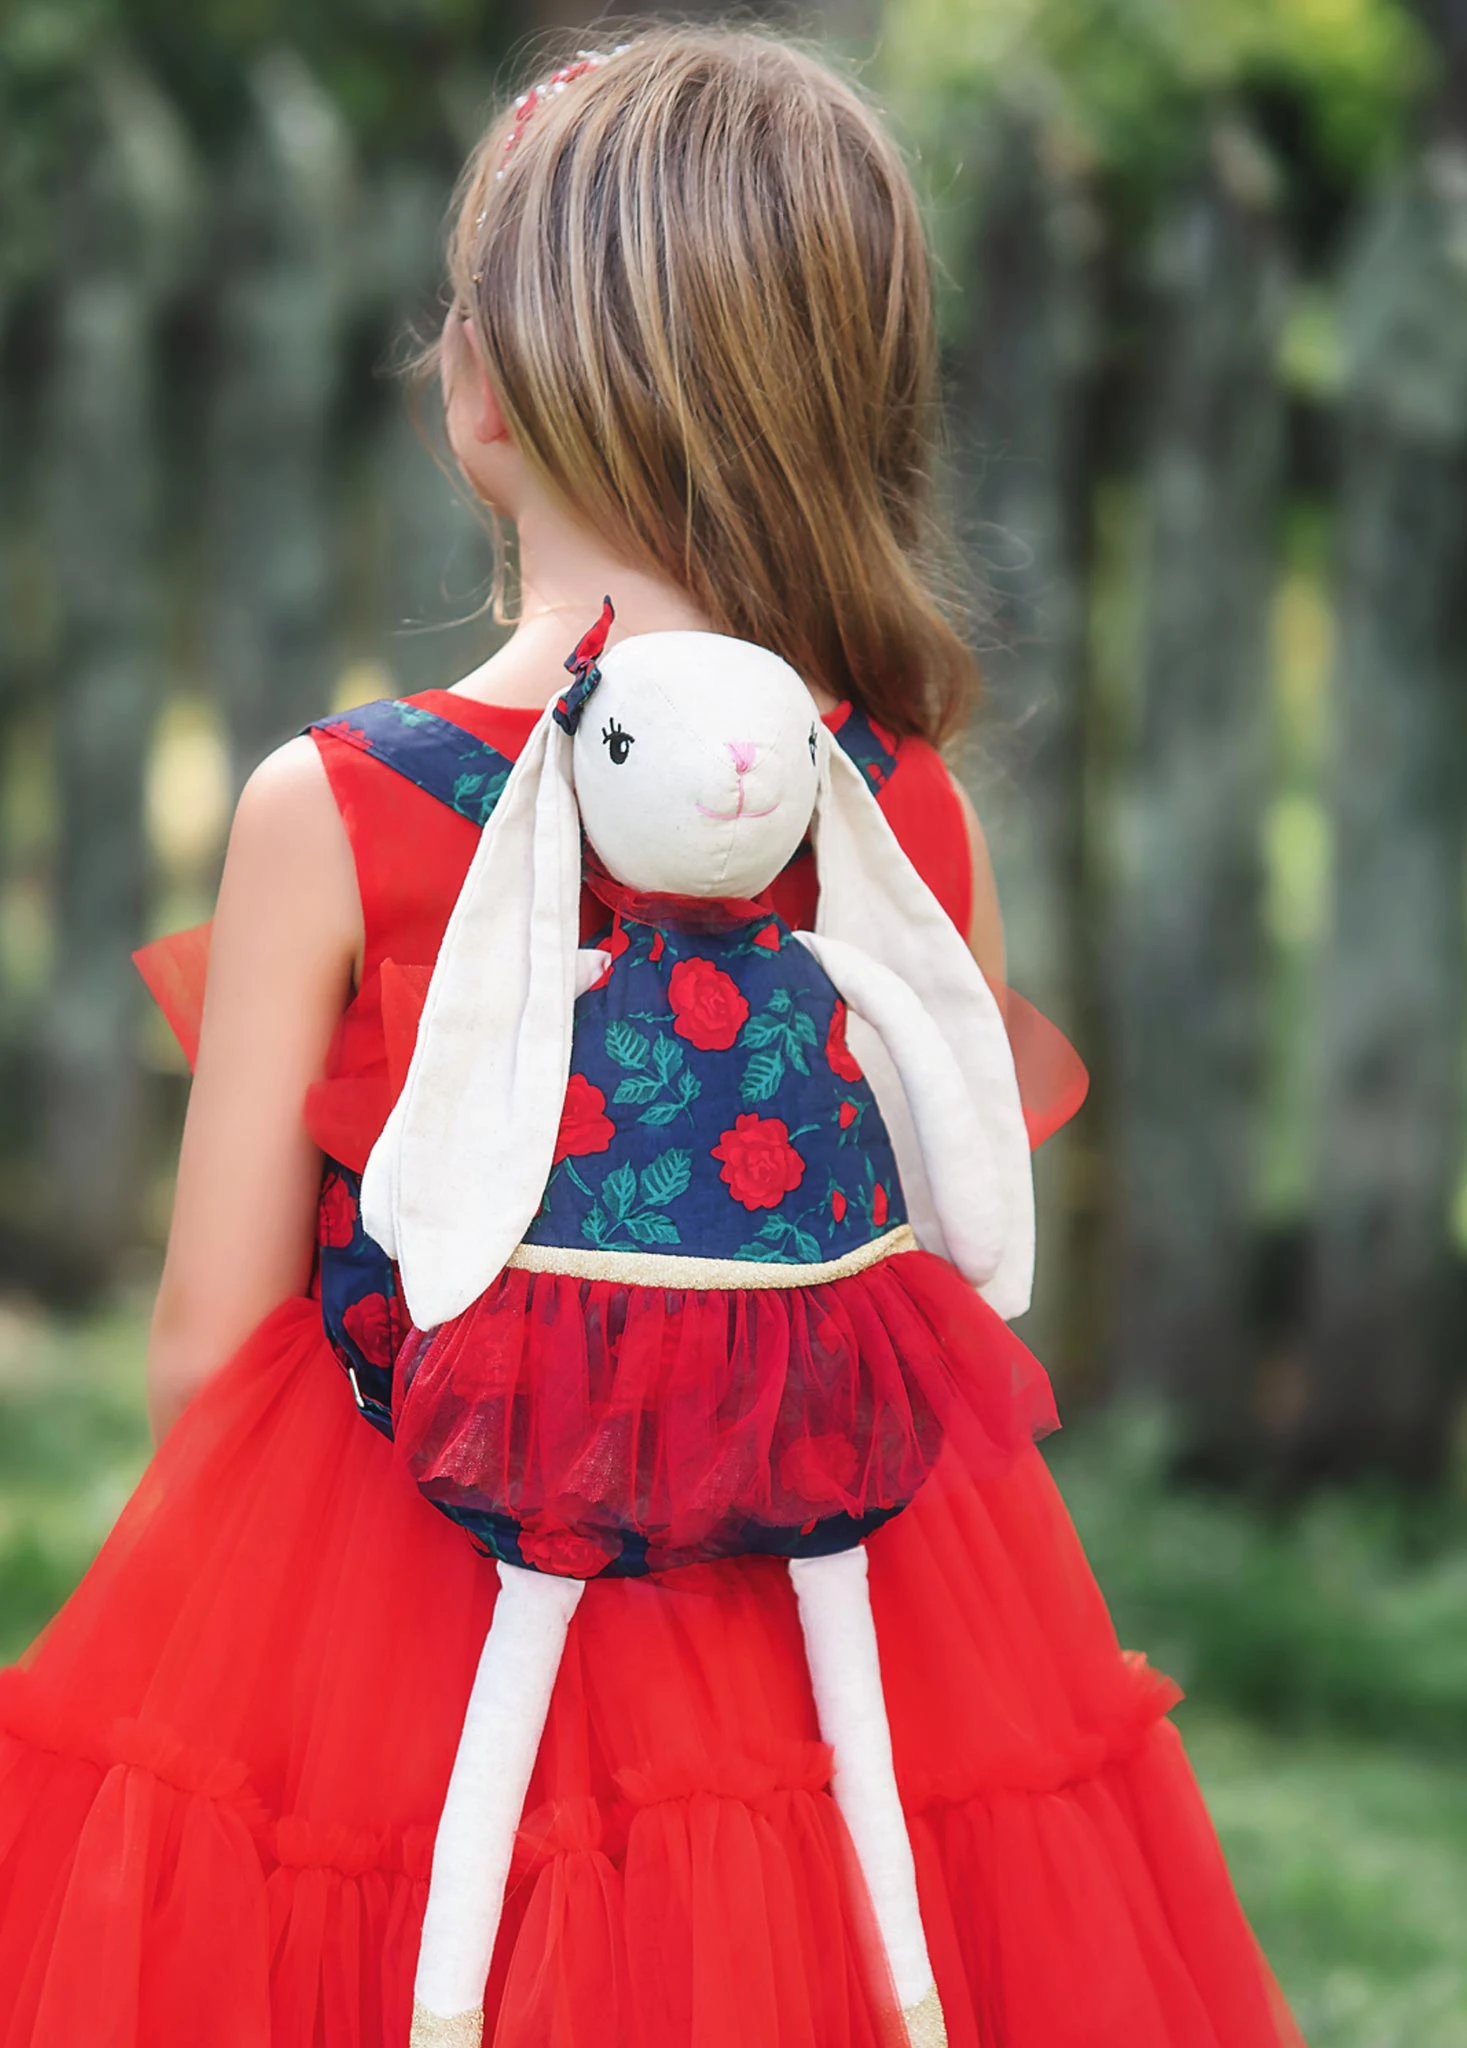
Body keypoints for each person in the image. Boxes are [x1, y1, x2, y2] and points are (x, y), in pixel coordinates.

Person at [0, 27, 1302, 2048]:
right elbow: (940, 1256)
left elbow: (203, 1350)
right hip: (830, 1606)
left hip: (413, 1598)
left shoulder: (336, 812)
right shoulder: (893, 806)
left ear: (485, 388)